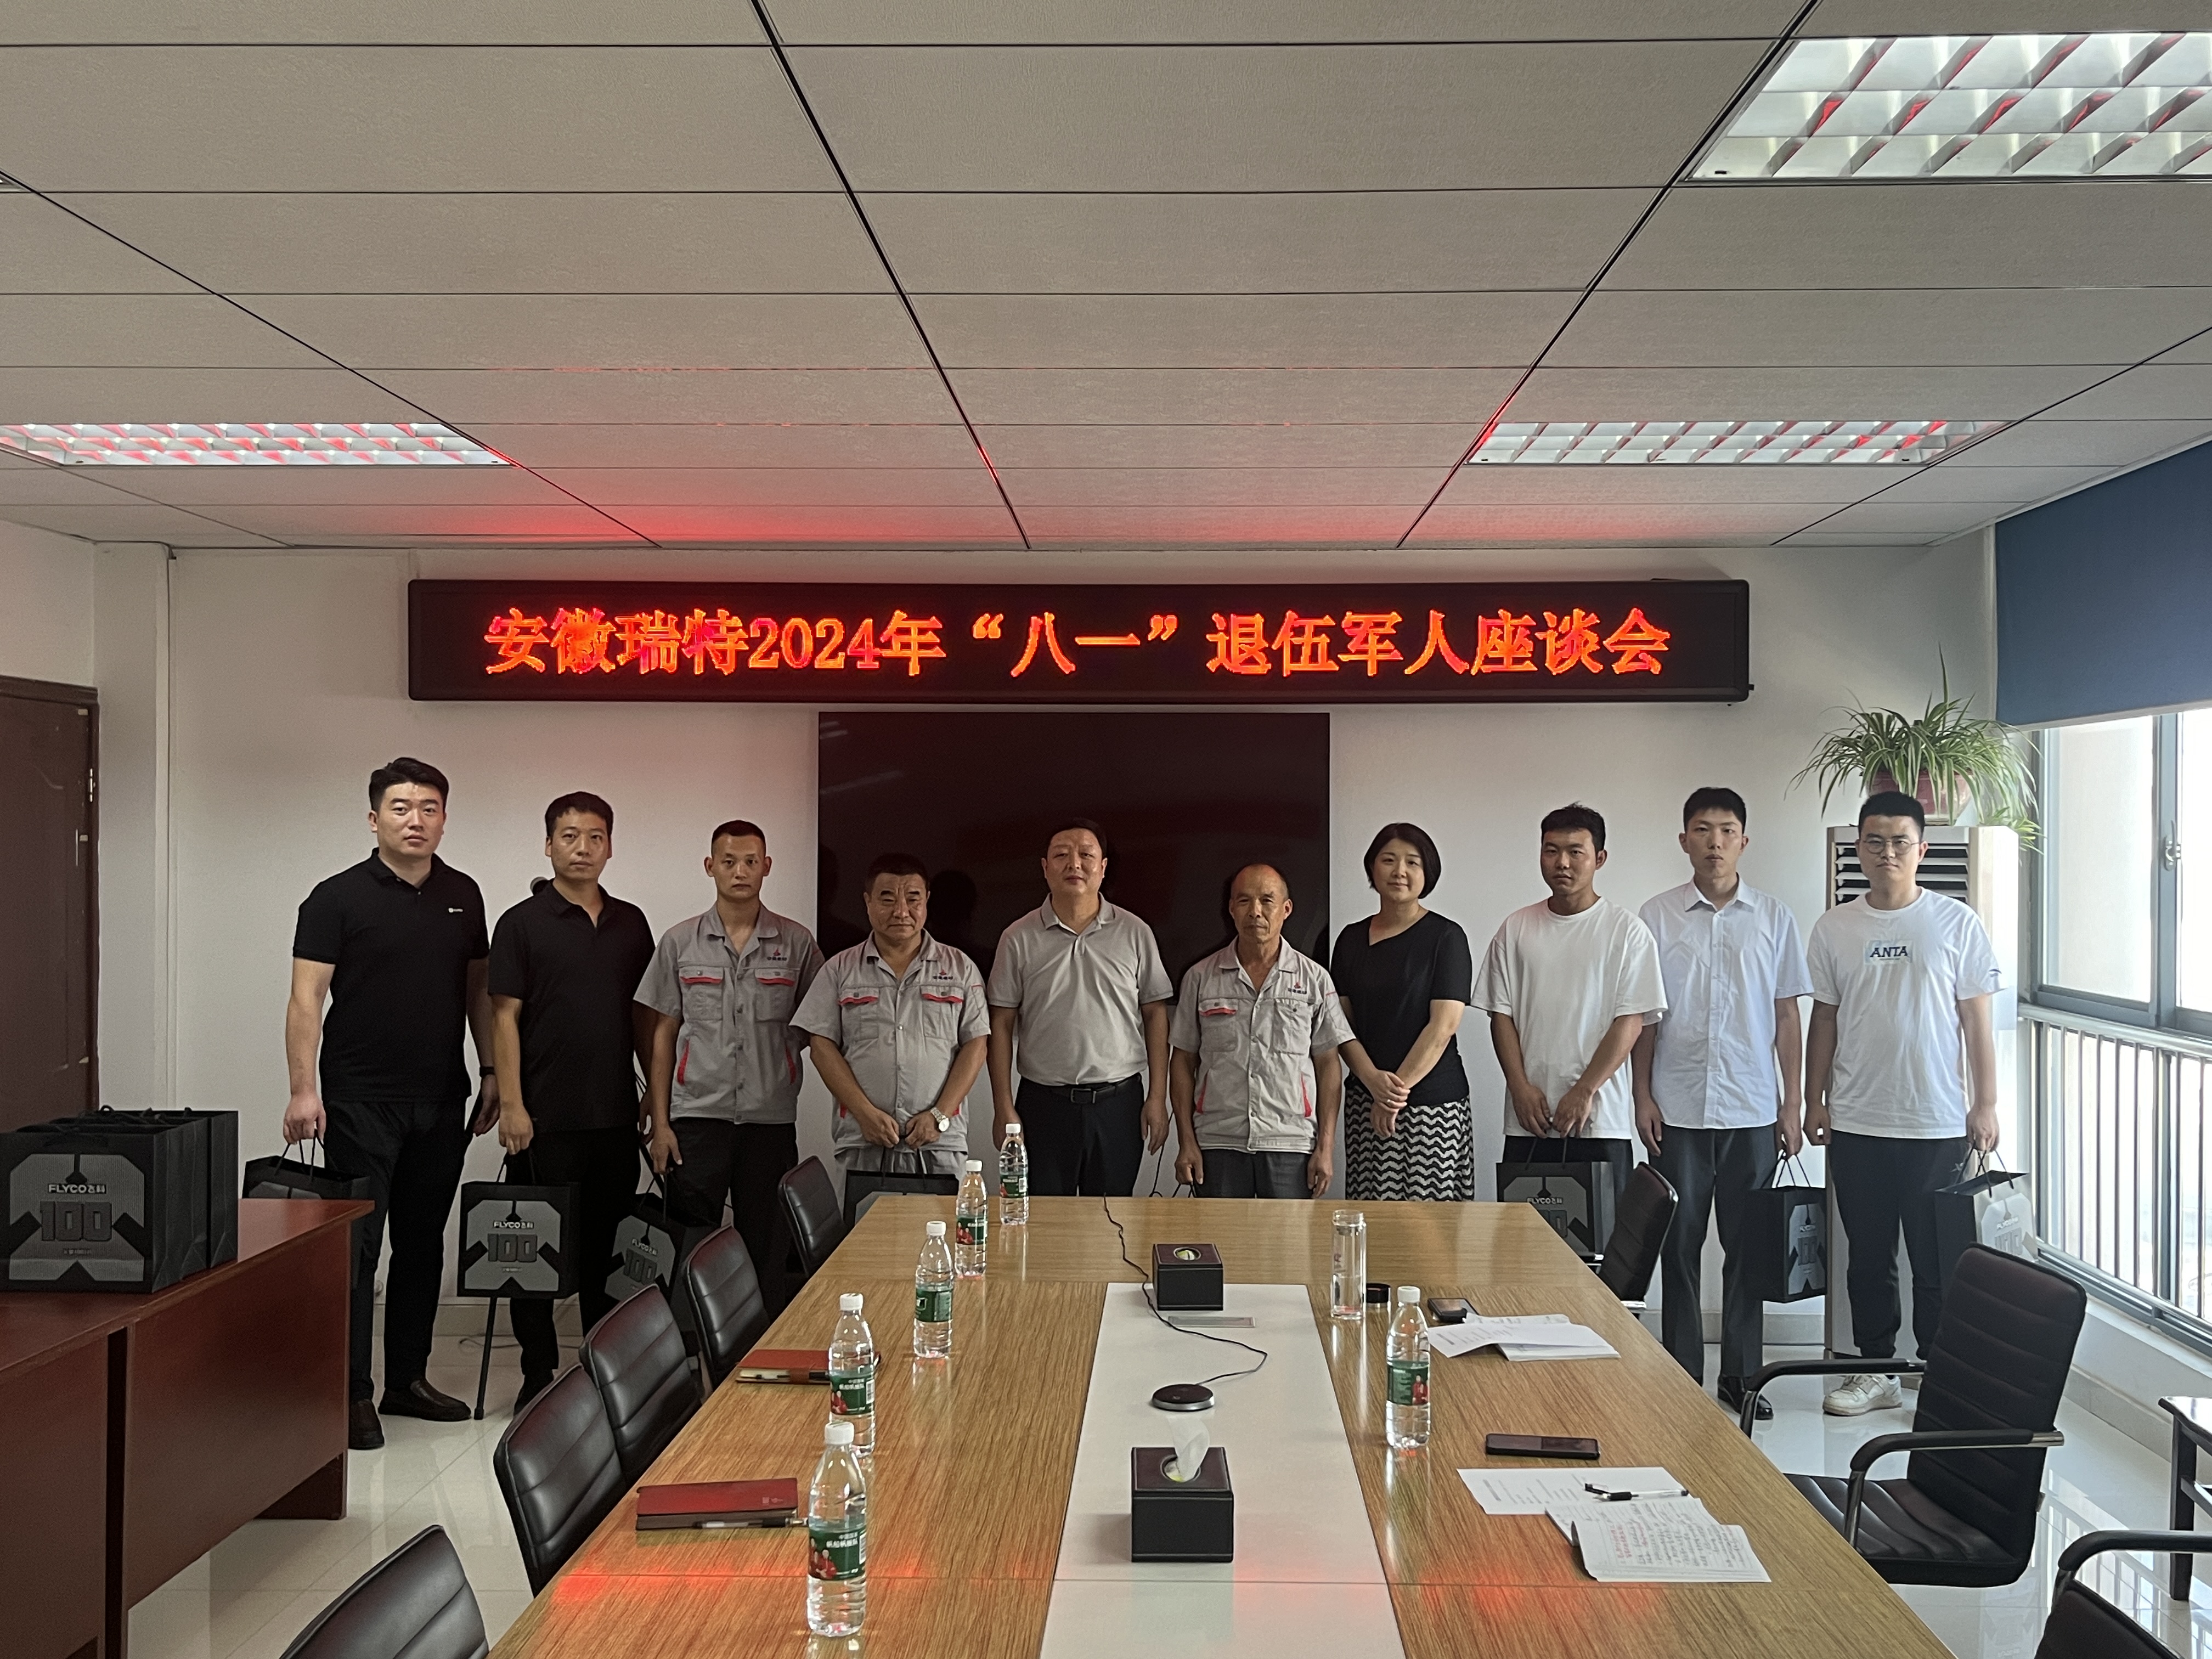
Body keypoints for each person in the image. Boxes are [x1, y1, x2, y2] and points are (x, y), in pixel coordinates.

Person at [287, 756, 495, 1451]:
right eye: (402, 808)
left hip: (440, 1097)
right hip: (359, 1100)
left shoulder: (464, 894)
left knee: (422, 1245)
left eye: (429, 808)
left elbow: (477, 992)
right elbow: (307, 999)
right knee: (359, 1250)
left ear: (444, 819)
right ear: (374, 818)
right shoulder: (335, 898)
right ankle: (351, 1391)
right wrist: (303, 1089)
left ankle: (407, 1379)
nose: (416, 820)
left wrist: (490, 1070)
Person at [1806, 790, 2001, 1417]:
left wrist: (1986, 1104)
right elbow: (1824, 1019)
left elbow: (1977, 1023)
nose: (1887, 852)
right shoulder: (1835, 927)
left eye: (1900, 842)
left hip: (1936, 1122)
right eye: (1874, 842)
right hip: (1858, 1120)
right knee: (1867, 1259)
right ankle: (1876, 1370)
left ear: (1921, 849)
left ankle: (1936, 1374)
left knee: (1936, 1262)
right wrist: (1813, 1099)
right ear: (1858, 849)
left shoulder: (1955, 923)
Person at [1632, 787, 1812, 1420]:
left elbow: (1787, 1017)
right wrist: (1641, 1094)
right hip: (1677, 1110)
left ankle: (1743, 1377)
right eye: (1703, 830)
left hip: (1753, 1110)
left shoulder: (1774, 918)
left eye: (1727, 830)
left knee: (1748, 1249)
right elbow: (1646, 1018)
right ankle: (1682, 1373)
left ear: (1744, 841)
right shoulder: (1656, 917)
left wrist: (1792, 1104)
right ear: (1684, 840)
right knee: (1678, 1246)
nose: (1715, 842)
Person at [489, 791, 657, 1409]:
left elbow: (646, 1019)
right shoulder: (521, 923)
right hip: (543, 1121)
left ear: (610, 846)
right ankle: (538, 1374)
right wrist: (513, 1105)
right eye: (569, 836)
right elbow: (504, 1018)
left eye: (594, 837)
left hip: (614, 1118)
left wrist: (655, 1095)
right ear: (548, 845)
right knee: (534, 1255)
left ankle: (603, 1370)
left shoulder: (631, 923)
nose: (582, 848)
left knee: (608, 1254)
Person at [637, 820, 823, 1317]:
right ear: (710, 867)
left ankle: (762, 1346)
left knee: (767, 1244)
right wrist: (661, 1124)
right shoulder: (680, 942)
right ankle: (688, 1348)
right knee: (690, 1246)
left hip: (769, 1120)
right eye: (728, 862)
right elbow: (663, 1035)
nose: (740, 871)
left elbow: (819, 1023)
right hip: (697, 1119)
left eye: (750, 862)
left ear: (767, 867)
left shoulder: (797, 943)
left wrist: (782, 1057)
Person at [1474, 803, 1667, 1204]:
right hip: (1529, 1120)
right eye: (1551, 851)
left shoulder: (1627, 932)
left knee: (1602, 1239)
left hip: (1599, 1121)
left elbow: (1631, 1022)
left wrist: (1584, 1090)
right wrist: (1519, 1087)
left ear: (1600, 858)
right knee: (1525, 1237)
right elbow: (1500, 1015)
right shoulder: (1516, 928)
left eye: (1575, 852)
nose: (1562, 862)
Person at [986, 820, 1174, 1196]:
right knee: (1044, 1219)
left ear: (1103, 867)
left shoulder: (1135, 932)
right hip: (1043, 1105)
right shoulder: (1018, 938)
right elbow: (1001, 1023)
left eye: (1086, 855)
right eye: (1061, 855)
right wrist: (1003, 1105)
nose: (1074, 864)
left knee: (1112, 1219)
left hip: (1118, 1104)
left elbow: (1155, 1013)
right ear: (1045, 868)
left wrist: (1157, 1097)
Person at [793, 854, 989, 1178]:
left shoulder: (960, 968)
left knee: (942, 1214)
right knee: (862, 1215)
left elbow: (976, 1046)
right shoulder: (839, 970)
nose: (901, 911)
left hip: (939, 1142)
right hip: (863, 1139)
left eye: (913, 899)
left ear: (927, 901)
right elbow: (821, 1047)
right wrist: (864, 1113)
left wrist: (939, 1116)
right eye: (887, 899)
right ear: (868, 902)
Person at [1170, 865, 1355, 1199]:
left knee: (1287, 1236)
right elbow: (1182, 1061)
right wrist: (1186, 1141)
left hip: (1290, 1143)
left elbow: (1329, 1064)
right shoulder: (1200, 978)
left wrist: (1325, 1148)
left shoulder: (1314, 979)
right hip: (1218, 1142)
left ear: (1286, 909)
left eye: (1267, 901)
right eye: (1244, 901)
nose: (1255, 911)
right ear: (1231, 909)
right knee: (1219, 1234)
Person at [1331, 822, 1474, 1201]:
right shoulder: (1349, 939)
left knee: (1429, 1227)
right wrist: (1372, 1081)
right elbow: (1340, 1025)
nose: (1400, 871)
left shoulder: (1447, 938)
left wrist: (1392, 1094)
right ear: (1372, 868)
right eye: (1389, 860)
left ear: (1428, 873)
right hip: (1365, 1100)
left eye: (1413, 862)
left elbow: (1443, 1027)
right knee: (1369, 1217)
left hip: (1432, 1105)